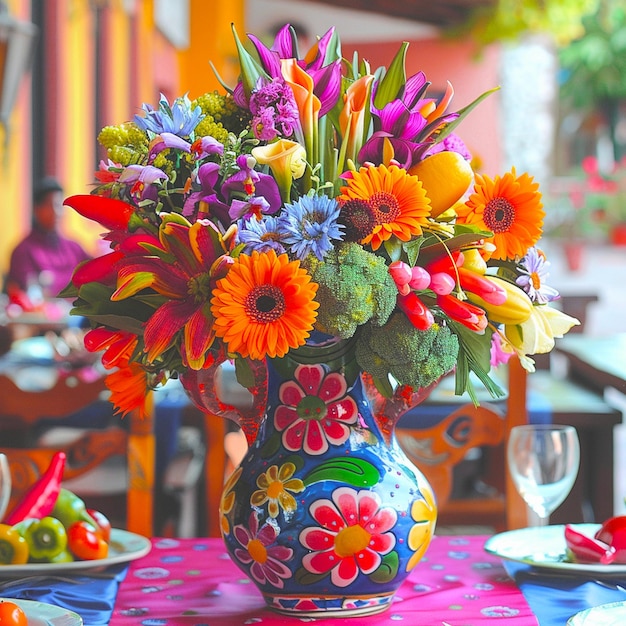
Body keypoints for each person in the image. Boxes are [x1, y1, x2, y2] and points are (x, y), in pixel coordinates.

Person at [4, 176, 90, 305]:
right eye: (50, 205)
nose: (56, 212)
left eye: (60, 205)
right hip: (43, 321)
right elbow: (28, 294)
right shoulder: (23, 251)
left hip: (80, 316)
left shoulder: (74, 247)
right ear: (36, 209)